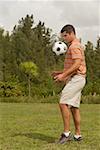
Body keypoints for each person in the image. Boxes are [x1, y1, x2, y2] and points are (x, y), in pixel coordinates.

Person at [52, 24, 86, 144]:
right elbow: (76, 66)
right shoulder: (75, 45)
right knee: (74, 108)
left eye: (65, 36)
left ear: (71, 33)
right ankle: (78, 135)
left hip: (76, 78)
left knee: (63, 103)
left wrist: (63, 76)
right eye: (63, 37)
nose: (64, 39)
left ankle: (66, 133)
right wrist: (60, 72)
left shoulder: (74, 46)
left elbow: (77, 65)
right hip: (78, 78)